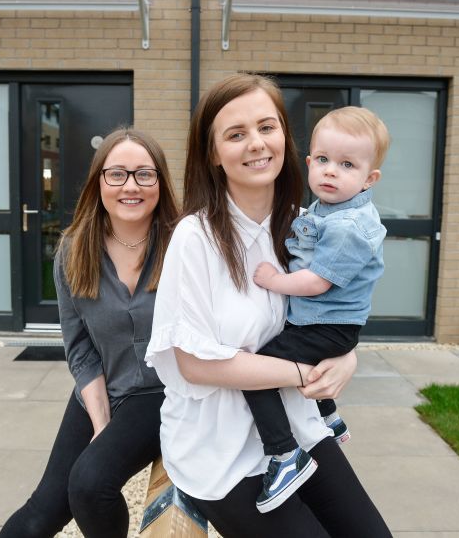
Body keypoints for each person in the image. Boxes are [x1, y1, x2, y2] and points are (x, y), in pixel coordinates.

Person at [145, 74, 391, 537]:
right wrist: (305, 374)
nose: (256, 143)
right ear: (213, 154)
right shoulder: (195, 238)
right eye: (236, 134)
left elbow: (335, 309)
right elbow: (194, 364)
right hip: (220, 446)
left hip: (295, 427)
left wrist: (346, 356)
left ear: (285, 136)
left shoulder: (308, 227)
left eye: (266, 127)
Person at [0, 127, 179, 538]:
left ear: (160, 182)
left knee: (90, 484)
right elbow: (78, 346)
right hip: (102, 388)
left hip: (161, 392)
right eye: (117, 174)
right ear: (99, 183)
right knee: (38, 516)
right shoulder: (74, 249)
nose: (130, 186)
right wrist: (101, 421)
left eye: (143, 174)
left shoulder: (183, 244)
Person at [245, 106, 389, 512]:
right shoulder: (329, 210)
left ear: (369, 179)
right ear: (309, 162)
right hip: (327, 324)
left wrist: (273, 280)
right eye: (323, 160)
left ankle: (284, 454)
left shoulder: (348, 227)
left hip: (328, 324)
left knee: (257, 373)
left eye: (346, 165)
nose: (330, 172)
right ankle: (329, 417)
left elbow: (316, 282)